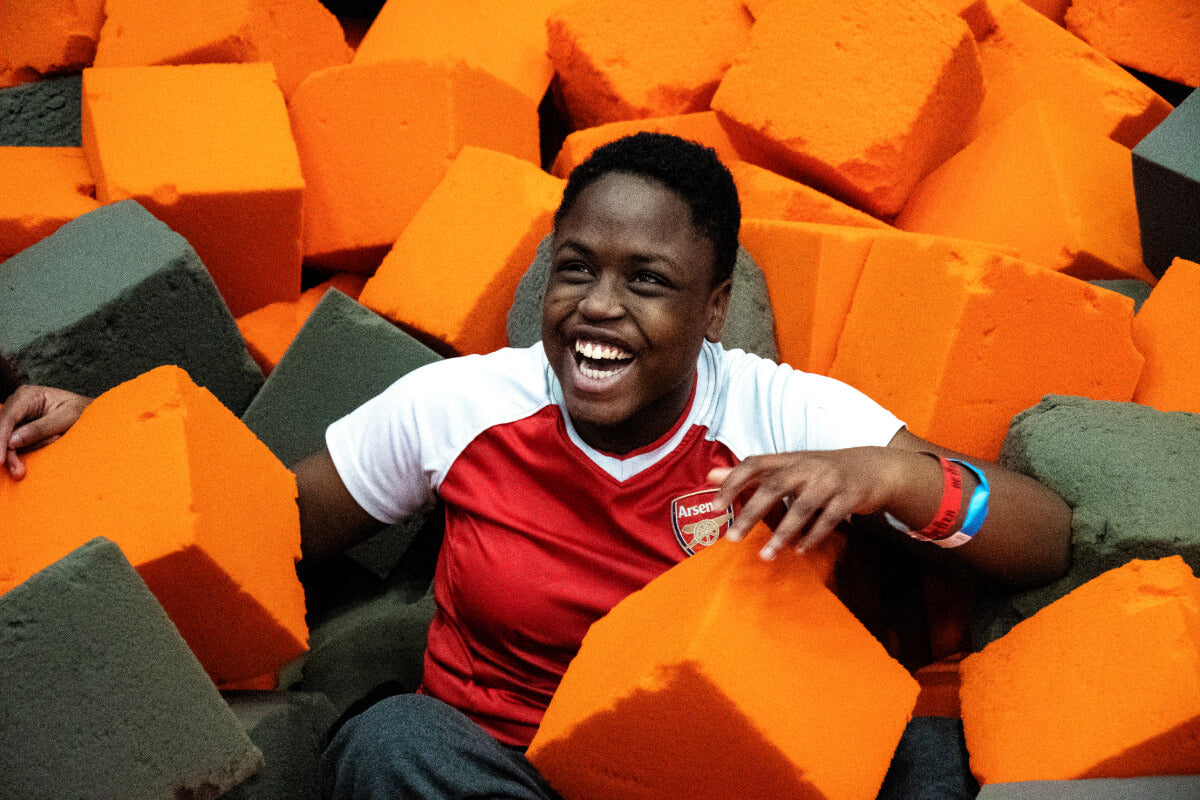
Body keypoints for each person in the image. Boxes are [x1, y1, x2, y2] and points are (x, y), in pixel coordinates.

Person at [0, 133, 1072, 799]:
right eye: (576, 269)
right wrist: (114, 434)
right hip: (509, 773)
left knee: (928, 762)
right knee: (392, 741)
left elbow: (1044, 535)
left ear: (711, 309)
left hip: (726, 777)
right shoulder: (463, 405)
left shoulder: (782, 410)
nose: (599, 307)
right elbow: (270, 520)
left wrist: (894, 478)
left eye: (647, 280)